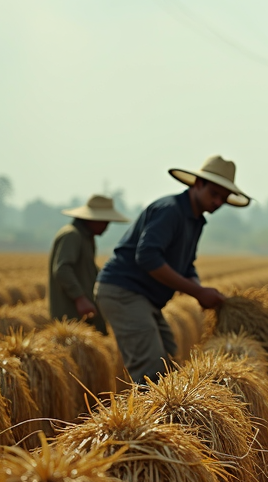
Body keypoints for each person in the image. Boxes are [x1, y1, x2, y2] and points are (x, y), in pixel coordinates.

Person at [95, 155, 251, 384]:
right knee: (152, 371)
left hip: (144, 297)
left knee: (169, 359)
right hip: (123, 292)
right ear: (198, 184)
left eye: (223, 198)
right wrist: (198, 292)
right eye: (214, 195)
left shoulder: (196, 220)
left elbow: (186, 265)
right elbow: (147, 257)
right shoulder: (170, 210)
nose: (218, 202)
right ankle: (146, 419)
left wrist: (201, 289)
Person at [48, 194, 130, 335]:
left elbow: (87, 269)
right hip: (72, 318)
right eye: (105, 222)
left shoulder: (85, 237)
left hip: (84, 314)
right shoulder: (72, 235)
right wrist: (80, 298)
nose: (107, 226)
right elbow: (63, 269)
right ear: (92, 219)